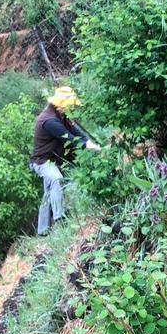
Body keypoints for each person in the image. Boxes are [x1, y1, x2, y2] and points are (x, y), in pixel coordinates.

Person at [29, 86, 100, 235]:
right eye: (71, 104)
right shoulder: (49, 120)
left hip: (55, 160)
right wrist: (89, 146)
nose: (73, 106)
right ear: (62, 103)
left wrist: (90, 142)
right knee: (56, 179)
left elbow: (77, 133)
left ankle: (43, 231)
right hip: (43, 162)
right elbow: (69, 138)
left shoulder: (62, 115)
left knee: (49, 193)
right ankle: (60, 219)